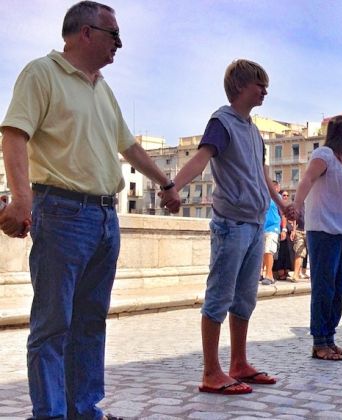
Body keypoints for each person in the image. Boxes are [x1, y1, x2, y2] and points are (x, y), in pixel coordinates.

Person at [0, 2, 181, 416]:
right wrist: (22, 197)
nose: (119, 44)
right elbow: (14, 134)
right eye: (113, 35)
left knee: (90, 321)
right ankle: (50, 413)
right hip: (61, 211)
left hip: (104, 216)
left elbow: (129, 146)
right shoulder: (40, 73)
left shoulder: (102, 88)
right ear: (85, 33)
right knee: (52, 325)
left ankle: (84, 410)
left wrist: (166, 182)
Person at [171, 59, 285, 395]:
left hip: (253, 223)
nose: (265, 90)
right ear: (239, 87)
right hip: (230, 223)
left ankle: (239, 363)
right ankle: (211, 371)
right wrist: (173, 187)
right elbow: (201, 158)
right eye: (259, 85)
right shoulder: (222, 122)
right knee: (219, 296)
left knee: (244, 299)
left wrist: (283, 204)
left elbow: (263, 175)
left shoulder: (253, 130)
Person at [290, 115, 342, 360]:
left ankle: (330, 339)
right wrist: (296, 207)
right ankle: (319, 342)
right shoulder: (325, 156)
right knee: (324, 287)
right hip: (323, 230)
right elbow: (307, 179)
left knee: (338, 289)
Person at [261, 181, 282, 285]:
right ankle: (260, 274)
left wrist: (284, 229)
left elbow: (283, 213)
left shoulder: (278, 198)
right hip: (262, 227)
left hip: (273, 227)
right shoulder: (262, 196)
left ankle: (269, 276)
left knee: (269, 251)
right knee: (262, 252)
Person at [273, 190, 295, 281]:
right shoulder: (277, 205)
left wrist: (293, 229)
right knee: (280, 251)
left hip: (287, 230)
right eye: (284, 195)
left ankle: (286, 270)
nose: (285, 197)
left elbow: (294, 218)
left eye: (287, 195)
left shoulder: (288, 206)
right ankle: (279, 271)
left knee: (288, 251)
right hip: (279, 228)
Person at [291, 209, 307, 282]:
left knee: (314, 253)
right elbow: (295, 217)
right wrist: (294, 230)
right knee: (299, 252)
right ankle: (295, 274)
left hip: (310, 231)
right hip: (299, 230)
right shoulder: (300, 203)